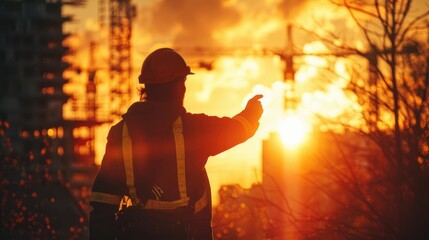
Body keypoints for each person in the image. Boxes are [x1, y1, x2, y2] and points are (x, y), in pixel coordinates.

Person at [89, 48, 263, 240]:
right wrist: (252, 112)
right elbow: (237, 130)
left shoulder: (120, 134)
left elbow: (103, 204)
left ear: (146, 87)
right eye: (183, 82)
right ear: (179, 87)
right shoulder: (193, 129)